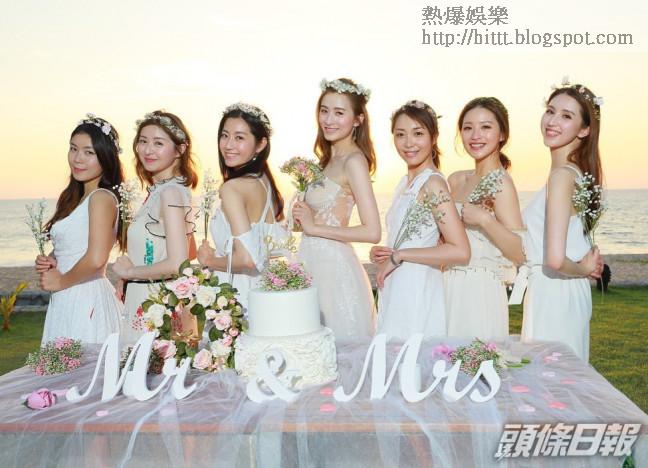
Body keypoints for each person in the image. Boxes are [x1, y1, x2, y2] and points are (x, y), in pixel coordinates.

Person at [518, 81, 605, 361]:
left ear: (584, 129)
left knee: (551, 378)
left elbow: (555, 260)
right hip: (561, 291)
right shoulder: (573, 174)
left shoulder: (562, 177)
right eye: (550, 111)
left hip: (554, 293)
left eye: (566, 116)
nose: (552, 121)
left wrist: (583, 268)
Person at [371, 100, 469, 341]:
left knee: (412, 353)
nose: (408, 143)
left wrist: (400, 255)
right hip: (397, 286)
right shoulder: (404, 184)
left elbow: (460, 250)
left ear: (433, 137)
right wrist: (384, 253)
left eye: (418, 133)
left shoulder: (433, 184)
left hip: (417, 287)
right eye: (400, 134)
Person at [293, 78, 381, 340]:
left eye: (339, 113)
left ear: (357, 120)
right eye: (324, 110)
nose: (329, 120)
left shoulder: (354, 161)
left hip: (334, 270)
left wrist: (313, 227)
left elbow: (372, 231)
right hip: (311, 264)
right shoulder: (326, 159)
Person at [112, 110, 198, 344]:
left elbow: (178, 264)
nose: (148, 150)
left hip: (156, 306)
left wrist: (131, 272)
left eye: (158, 143)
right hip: (148, 297)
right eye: (143, 141)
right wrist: (131, 278)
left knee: (147, 365)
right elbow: (190, 251)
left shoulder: (170, 193)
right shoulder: (163, 191)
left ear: (179, 150)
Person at [36, 114, 124, 344]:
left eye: (89, 152)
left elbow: (96, 258)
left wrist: (61, 281)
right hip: (67, 296)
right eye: (73, 149)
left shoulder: (101, 198)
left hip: (85, 297)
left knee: (81, 365)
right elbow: (76, 244)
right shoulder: (74, 198)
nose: (77, 158)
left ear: (105, 157)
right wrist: (52, 259)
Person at [444, 97, 525, 340]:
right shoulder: (456, 180)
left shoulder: (501, 183)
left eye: (486, 127)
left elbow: (520, 252)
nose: (475, 135)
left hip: (478, 292)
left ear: (502, 134)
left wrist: (484, 220)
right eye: (468, 128)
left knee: (474, 358)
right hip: (446, 284)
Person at [197, 102, 286, 311]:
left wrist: (210, 260)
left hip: (236, 299)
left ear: (261, 144)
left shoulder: (233, 188)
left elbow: (248, 259)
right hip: (263, 292)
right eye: (224, 135)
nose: (228, 145)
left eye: (239, 138)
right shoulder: (265, 182)